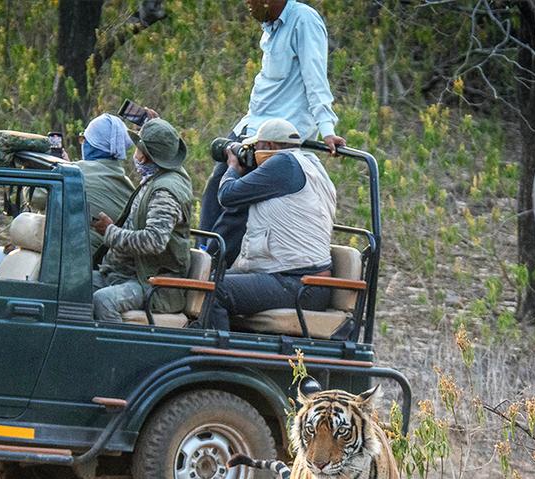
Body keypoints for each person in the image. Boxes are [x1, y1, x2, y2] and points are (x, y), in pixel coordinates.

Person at [199, 0, 347, 237]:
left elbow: (315, 78)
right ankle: (202, 257)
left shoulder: (304, 21)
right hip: (251, 126)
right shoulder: (271, 27)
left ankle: (216, 266)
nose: (247, 2)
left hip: (275, 136)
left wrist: (327, 129)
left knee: (237, 208)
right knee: (215, 190)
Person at [206, 118, 335, 332]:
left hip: (298, 283)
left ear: (270, 146)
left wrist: (232, 167)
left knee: (213, 289)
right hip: (304, 280)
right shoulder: (312, 164)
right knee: (206, 281)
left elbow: (227, 195)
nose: (253, 153)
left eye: (256, 147)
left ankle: (220, 360)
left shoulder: (283, 162)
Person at [89, 119, 194, 323]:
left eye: (138, 149)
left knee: (103, 301)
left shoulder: (165, 191)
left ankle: (115, 353)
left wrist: (109, 231)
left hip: (155, 284)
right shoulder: (157, 178)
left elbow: (154, 241)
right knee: (69, 285)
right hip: (128, 274)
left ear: (145, 157)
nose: (134, 155)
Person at [77, 113, 138, 260]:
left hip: (77, 262)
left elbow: (36, 196)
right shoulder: (129, 187)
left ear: (93, 144)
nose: (82, 144)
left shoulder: (77, 173)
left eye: (84, 139)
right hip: (102, 261)